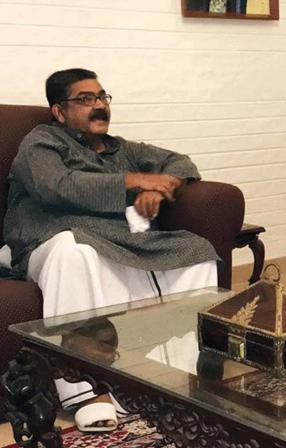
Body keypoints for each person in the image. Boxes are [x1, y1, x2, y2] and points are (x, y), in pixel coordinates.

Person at [3, 68, 220, 431]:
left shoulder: (123, 149)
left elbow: (180, 162)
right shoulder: (40, 143)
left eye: (102, 97)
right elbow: (57, 186)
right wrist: (135, 180)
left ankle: (175, 375)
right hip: (50, 237)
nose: (99, 106)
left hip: (117, 236)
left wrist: (157, 188)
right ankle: (85, 390)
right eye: (85, 100)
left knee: (197, 251)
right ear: (59, 111)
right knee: (76, 252)